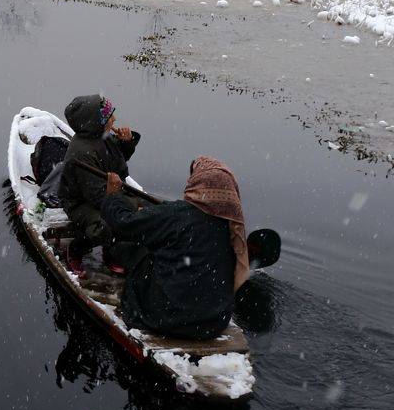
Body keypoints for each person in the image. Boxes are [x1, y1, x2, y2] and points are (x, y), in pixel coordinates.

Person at [92, 156, 253, 341]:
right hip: (214, 322)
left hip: (167, 318)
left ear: (198, 182)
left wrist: (113, 195)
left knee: (139, 251)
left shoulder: (178, 214)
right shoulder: (232, 227)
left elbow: (123, 223)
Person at [56, 94, 140, 238]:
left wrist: (126, 142)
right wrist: (134, 206)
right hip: (81, 204)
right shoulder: (82, 154)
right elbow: (98, 198)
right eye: (109, 117)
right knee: (111, 223)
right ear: (96, 122)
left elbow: (116, 160)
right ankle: (80, 245)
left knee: (153, 210)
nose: (114, 119)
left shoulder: (101, 136)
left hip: (110, 192)